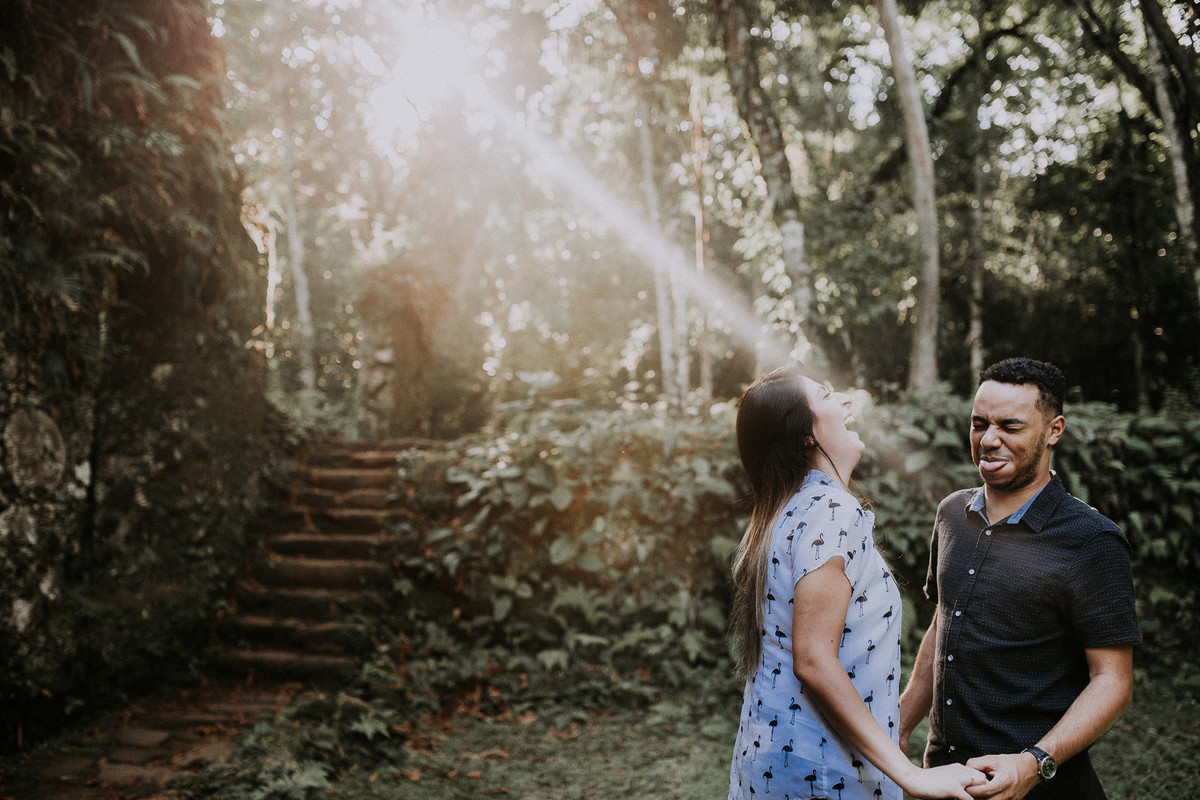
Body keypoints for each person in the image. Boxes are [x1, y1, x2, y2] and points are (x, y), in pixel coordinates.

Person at [728, 366, 986, 800]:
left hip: (774, 762)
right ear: (806, 434)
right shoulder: (831, 512)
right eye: (827, 395)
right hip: (825, 772)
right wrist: (912, 775)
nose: (845, 400)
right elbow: (813, 659)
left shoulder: (790, 508)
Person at [898, 357, 1140, 800]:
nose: (988, 440)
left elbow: (1114, 683)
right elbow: (942, 622)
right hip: (947, 777)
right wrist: (900, 721)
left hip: (1042, 788)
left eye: (1010, 426)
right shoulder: (951, 513)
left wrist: (1034, 762)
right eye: (978, 424)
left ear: (1054, 430)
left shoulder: (1093, 540)